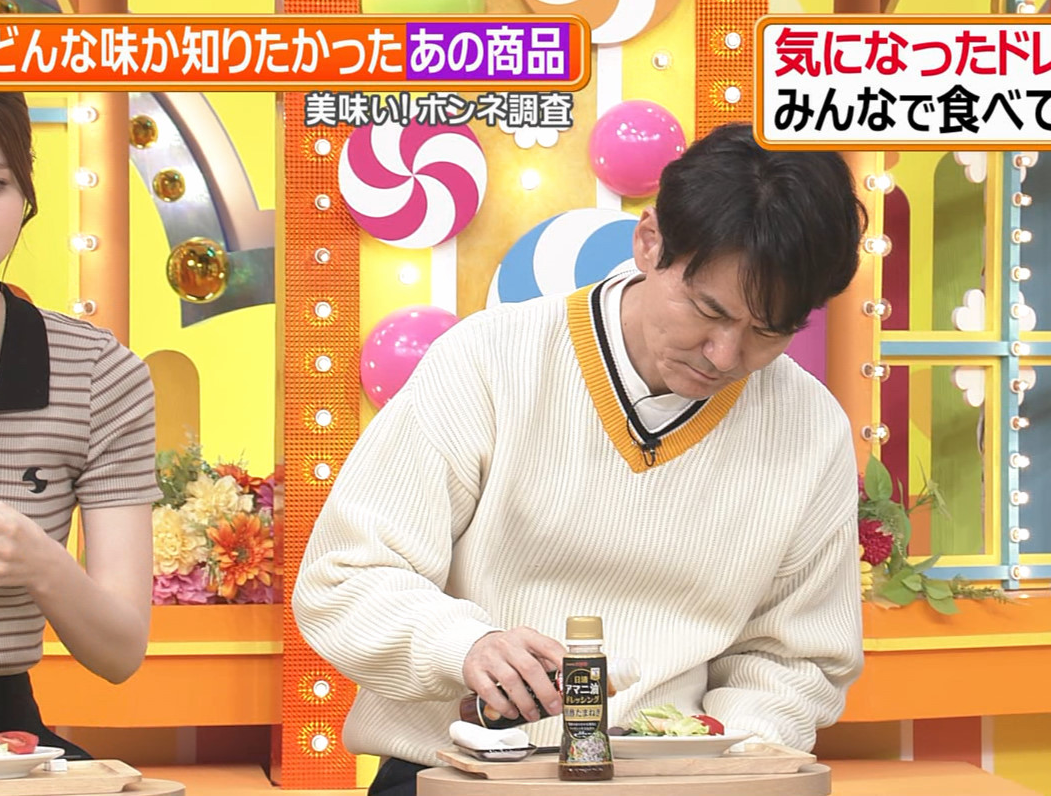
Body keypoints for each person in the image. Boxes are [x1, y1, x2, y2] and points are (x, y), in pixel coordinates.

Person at [293, 122, 868, 796]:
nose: (724, 355)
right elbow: (346, 578)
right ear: (649, 242)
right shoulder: (488, 361)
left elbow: (794, 660)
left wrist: (724, 754)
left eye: (766, 332)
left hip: (680, 786)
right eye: (706, 310)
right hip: (458, 775)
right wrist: (464, 645)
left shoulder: (809, 427)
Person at [0, 34, 159, 758]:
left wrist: (40, 563)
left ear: (25, 193)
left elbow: (120, 653)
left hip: (1, 738)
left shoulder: (101, 375)